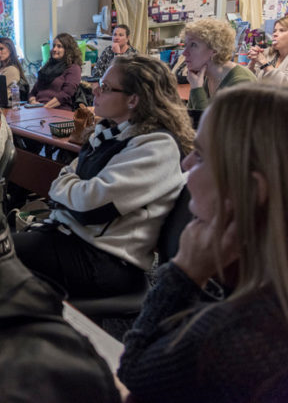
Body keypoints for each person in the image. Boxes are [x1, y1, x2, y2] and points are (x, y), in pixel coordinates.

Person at [118, 84, 288, 403]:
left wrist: (184, 273)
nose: (186, 165)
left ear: (249, 193)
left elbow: (135, 373)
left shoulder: (239, 334)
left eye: (202, 157)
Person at [14, 55, 194, 297]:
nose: (95, 91)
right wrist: (71, 185)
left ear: (133, 99)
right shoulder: (108, 132)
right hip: (74, 239)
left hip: (104, 261)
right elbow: (66, 179)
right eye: (100, 83)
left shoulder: (156, 146)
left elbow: (88, 207)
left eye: (106, 88)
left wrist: (68, 185)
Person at [183, 17, 255, 110]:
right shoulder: (208, 76)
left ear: (215, 49)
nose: (184, 52)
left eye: (193, 45)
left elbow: (207, 123)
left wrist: (196, 89)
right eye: (186, 45)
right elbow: (191, 119)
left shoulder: (241, 83)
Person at [28, 33, 82, 110]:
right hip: (39, 109)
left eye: (59, 46)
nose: (54, 49)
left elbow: (66, 94)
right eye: (53, 46)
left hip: (58, 110)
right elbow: (33, 92)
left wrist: (45, 107)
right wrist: (33, 102)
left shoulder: (73, 68)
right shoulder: (47, 67)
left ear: (68, 50)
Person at [248, 15, 288, 85]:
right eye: (274, 31)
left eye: (281, 30)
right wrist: (252, 64)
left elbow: (285, 84)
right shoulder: (268, 53)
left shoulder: (264, 59)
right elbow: (251, 79)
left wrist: (264, 63)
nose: (275, 34)